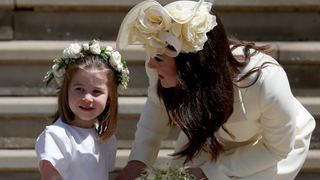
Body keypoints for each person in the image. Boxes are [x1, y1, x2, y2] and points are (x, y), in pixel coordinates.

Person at [115, 0, 316, 179]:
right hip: (209, 131)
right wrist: (138, 162)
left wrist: (210, 172)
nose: (150, 65)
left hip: (268, 147)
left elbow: (277, 148)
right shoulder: (160, 63)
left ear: (192, 65)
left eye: (158, 59)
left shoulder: (265, 80)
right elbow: (157, 108)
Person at [35, 40, 129, 180]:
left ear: (109, 98)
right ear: (66, 92)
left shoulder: (104, 137)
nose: (87, 98)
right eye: (79, 89)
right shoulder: (57, 136)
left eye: (96, 91)